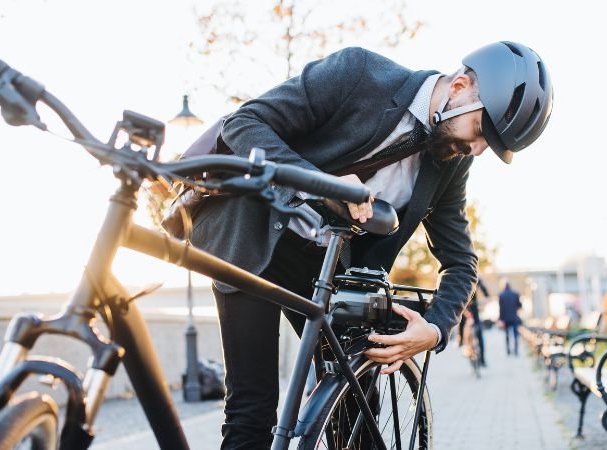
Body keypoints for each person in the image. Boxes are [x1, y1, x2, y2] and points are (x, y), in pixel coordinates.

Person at [189, 42, 553, 448]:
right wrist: (317, 181)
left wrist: (434, 329)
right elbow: (244, 124)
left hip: (330, 270)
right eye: (483, 131)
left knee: (357, 411)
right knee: (251, 409)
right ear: (460, 87)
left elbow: (461, 260)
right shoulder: (358, 73)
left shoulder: (453, 161)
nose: (479, 149)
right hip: (252, 239)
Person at [458, 278, 489, 366]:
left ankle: (461, 342)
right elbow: (484, 290)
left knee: (462, 324)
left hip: (464, 305)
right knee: (478, 329)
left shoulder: (460, 274)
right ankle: (482, 359)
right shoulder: (475, 275)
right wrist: (486, 298)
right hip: (472, 306)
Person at [498, 278, 522, 356]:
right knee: (515, 335)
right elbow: (519, 305)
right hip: (514, 317)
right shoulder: (515, 294)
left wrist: (501, 319)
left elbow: (501, 309)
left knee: (507, 335)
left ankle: (508, 350)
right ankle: (516, 350)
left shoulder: (501, 295)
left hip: (505, 318)